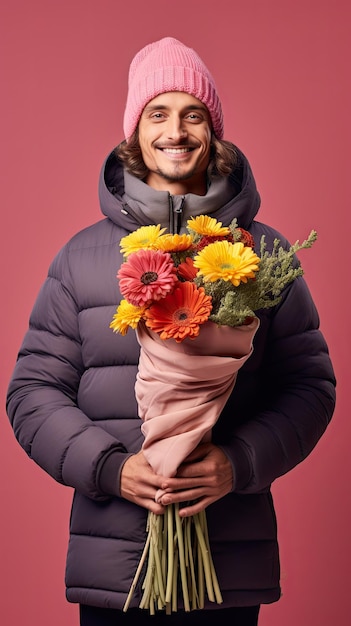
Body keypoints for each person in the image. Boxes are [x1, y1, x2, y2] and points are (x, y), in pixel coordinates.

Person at [6, 37, 336, 626]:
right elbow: (31, 392)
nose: (175, 131)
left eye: (194, 114)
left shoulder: (263, 253)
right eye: (157, 113)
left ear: (214, 131)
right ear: (134, 132)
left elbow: (311, 387)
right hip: (115, 571)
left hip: (228, 569)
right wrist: (109, 467)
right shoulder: (80, 257)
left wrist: (238, 462)